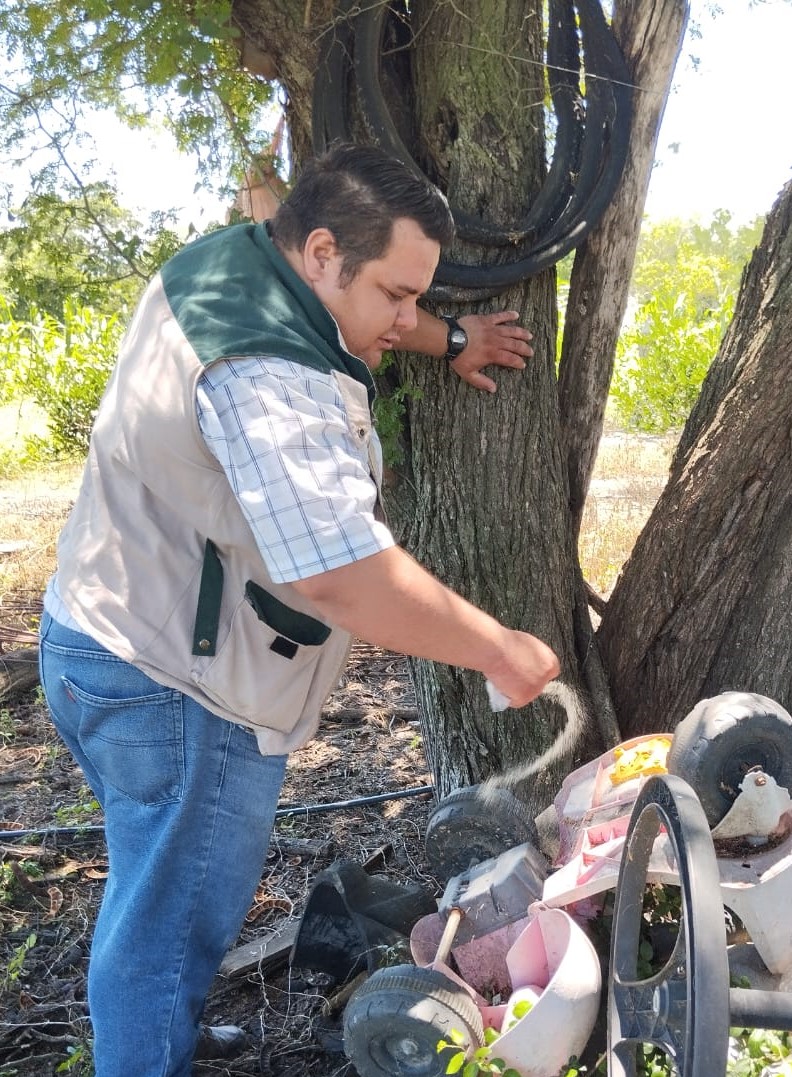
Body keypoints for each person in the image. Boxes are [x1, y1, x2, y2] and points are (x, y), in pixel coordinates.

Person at [38, 141, 560, 1077]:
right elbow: (344, 576)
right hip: (179, 690)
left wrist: (449, 339)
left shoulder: (240, 262)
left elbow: (363, 312)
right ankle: (149, 1047)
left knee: (158, 899)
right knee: (165, 929)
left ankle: (163, 1028)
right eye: (399, 297)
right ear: (321, 253)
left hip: (104, 627)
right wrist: (497, 651)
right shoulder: (262, 380)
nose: (407, 315)